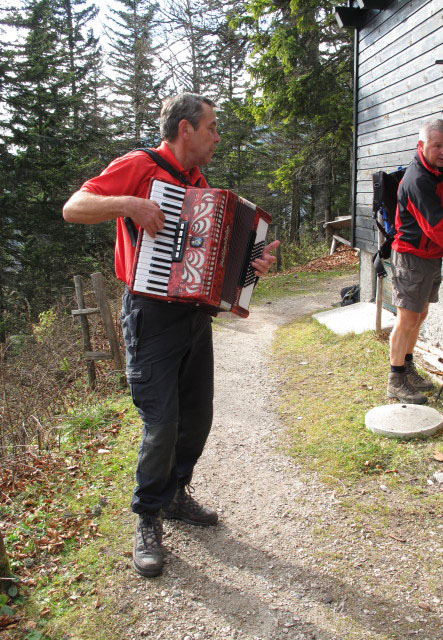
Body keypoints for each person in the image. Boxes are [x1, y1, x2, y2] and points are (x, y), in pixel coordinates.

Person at [63, 93, 280, 577]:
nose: (217, 137)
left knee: (197, 417)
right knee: (161, 423)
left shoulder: (198, 184)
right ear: (186, 129)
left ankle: (176, 494)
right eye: (212, 128)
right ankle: (146, 516)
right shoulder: (139, 166)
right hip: (149, 316)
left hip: (191, 319)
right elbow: (74, 207)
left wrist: (251, 267)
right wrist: (130, 205)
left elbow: (216, 261)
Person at [387, 118, 443, 404]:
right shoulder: (417, 180)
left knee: (420, 315)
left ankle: (408, 367)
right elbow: (439, 229)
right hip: (411, 258)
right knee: (406, 319)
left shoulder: (438, 173)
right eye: (437, 145)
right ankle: (395, 379)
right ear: (422, 145)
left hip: (430, 257)